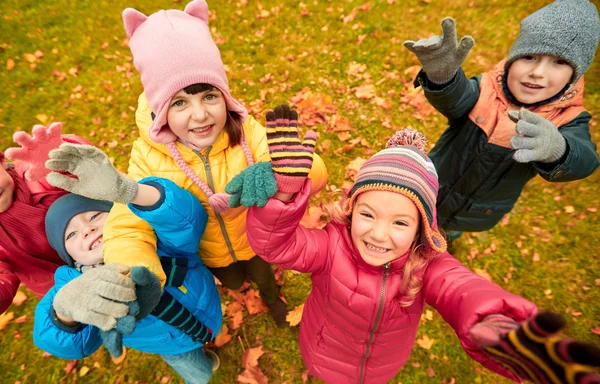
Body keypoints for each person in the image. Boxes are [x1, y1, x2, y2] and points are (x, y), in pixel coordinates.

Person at [242, 105, 600, 383]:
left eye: (400, 222)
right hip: (323, 348)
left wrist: (490, 317)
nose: (378, 235)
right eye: (368, 215)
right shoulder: (330, 246)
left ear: (421, 229)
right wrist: (285, 196)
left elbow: (461, 288)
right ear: (351, 209)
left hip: (385, 361)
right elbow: (276, 245)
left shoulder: (426, 264)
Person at [100, 0, 328, 327]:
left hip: (256, 240)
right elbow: (128, 223)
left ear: (225, 95)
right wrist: (132, 268)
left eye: (209, 95)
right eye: (179, 102)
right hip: (212, 255)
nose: (200, 114)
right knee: (234, 281)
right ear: (159, 111)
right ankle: (240, 287)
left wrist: (282, 173)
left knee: (263, 274)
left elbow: (312, 171)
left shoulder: (248, 133)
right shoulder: (148, 157)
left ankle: (270, 296)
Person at [403, 0, 600, 242]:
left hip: (476, 211)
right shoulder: (486, 88)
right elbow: (456, 101)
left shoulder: (568, 119)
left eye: (559, 63)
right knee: (408, 222)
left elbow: (586, 160)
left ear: (574, 75)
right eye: (529, 57)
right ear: (512, 59)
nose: (538, 72)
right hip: (432, 183)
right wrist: (444, 78)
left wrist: (558, 149)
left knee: (443, 237)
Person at [34, 144, 222, 384]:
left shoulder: (153, 236)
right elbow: (68, 344)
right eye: (70, 235)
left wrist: (134, 193)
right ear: (69, 257)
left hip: (207, 308)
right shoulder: (77, 289)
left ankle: (210, 338)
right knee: (198, 373)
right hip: (170, 346)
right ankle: (202, 371)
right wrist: (64, 313)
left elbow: (186, 219)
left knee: (213, 329)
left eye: (94, 216)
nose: (87, 229)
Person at [0, 123, 90, 312]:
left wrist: (62, 160)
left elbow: (88, 172)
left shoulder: (34, 174)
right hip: (61, 282)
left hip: (103, 240)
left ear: (1, 163)